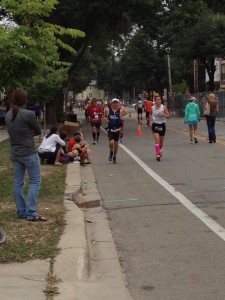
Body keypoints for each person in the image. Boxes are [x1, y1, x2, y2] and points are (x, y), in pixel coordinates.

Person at [5, 88, 47, 221]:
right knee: (35, 181)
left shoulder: (8, 115)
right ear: (25, 100)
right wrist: (29, 133)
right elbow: (38, 130)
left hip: (15, 153)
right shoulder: (28, 114)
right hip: (29, 152)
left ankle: (22, 211)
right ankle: (31, 212)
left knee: (18, 182)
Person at [104, 98, 123, 164]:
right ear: (111, 103)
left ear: (118, 104)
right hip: (110, 129)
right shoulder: (108, 110)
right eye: (114, 103)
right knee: (111, 142)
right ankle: (111, 152)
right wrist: (106, 120)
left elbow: (121, 121)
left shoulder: (120, 111)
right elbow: (105, 117)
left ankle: (114, 156)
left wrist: (121, 129)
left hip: (117, 129)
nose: (115, 104)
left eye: (116, 103)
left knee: (116, 144)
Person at [151, 95, 170, 161]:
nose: (158, 101)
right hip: (155, 124)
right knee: (157, 140)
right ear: (155, 101)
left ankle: (160, 149)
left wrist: (163, 114)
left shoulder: (163, 107)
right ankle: (158, 154)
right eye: (157, 100)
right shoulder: (152, 108)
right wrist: (151, 118)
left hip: (162, 125)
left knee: (161, 143)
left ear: (160, 101)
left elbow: (168, 116)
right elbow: (150, 115)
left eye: (159, 100)